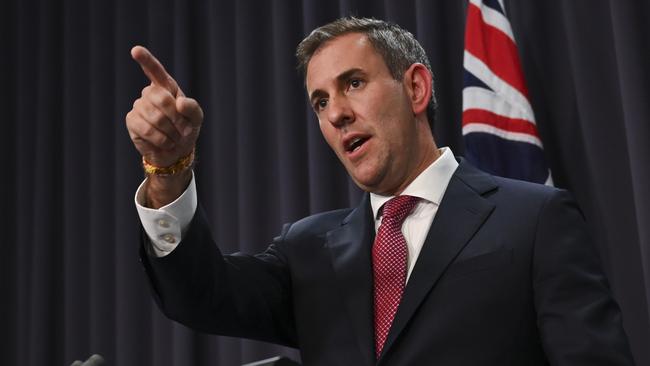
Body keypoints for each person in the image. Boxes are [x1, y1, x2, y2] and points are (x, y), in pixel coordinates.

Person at [125, 17, 634, 365]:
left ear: (415, 88)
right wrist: (168, 169)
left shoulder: (534, 221)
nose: (336, 112)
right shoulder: (308, 251)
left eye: (353, 83)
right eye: (320, 101)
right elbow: (200, 297)